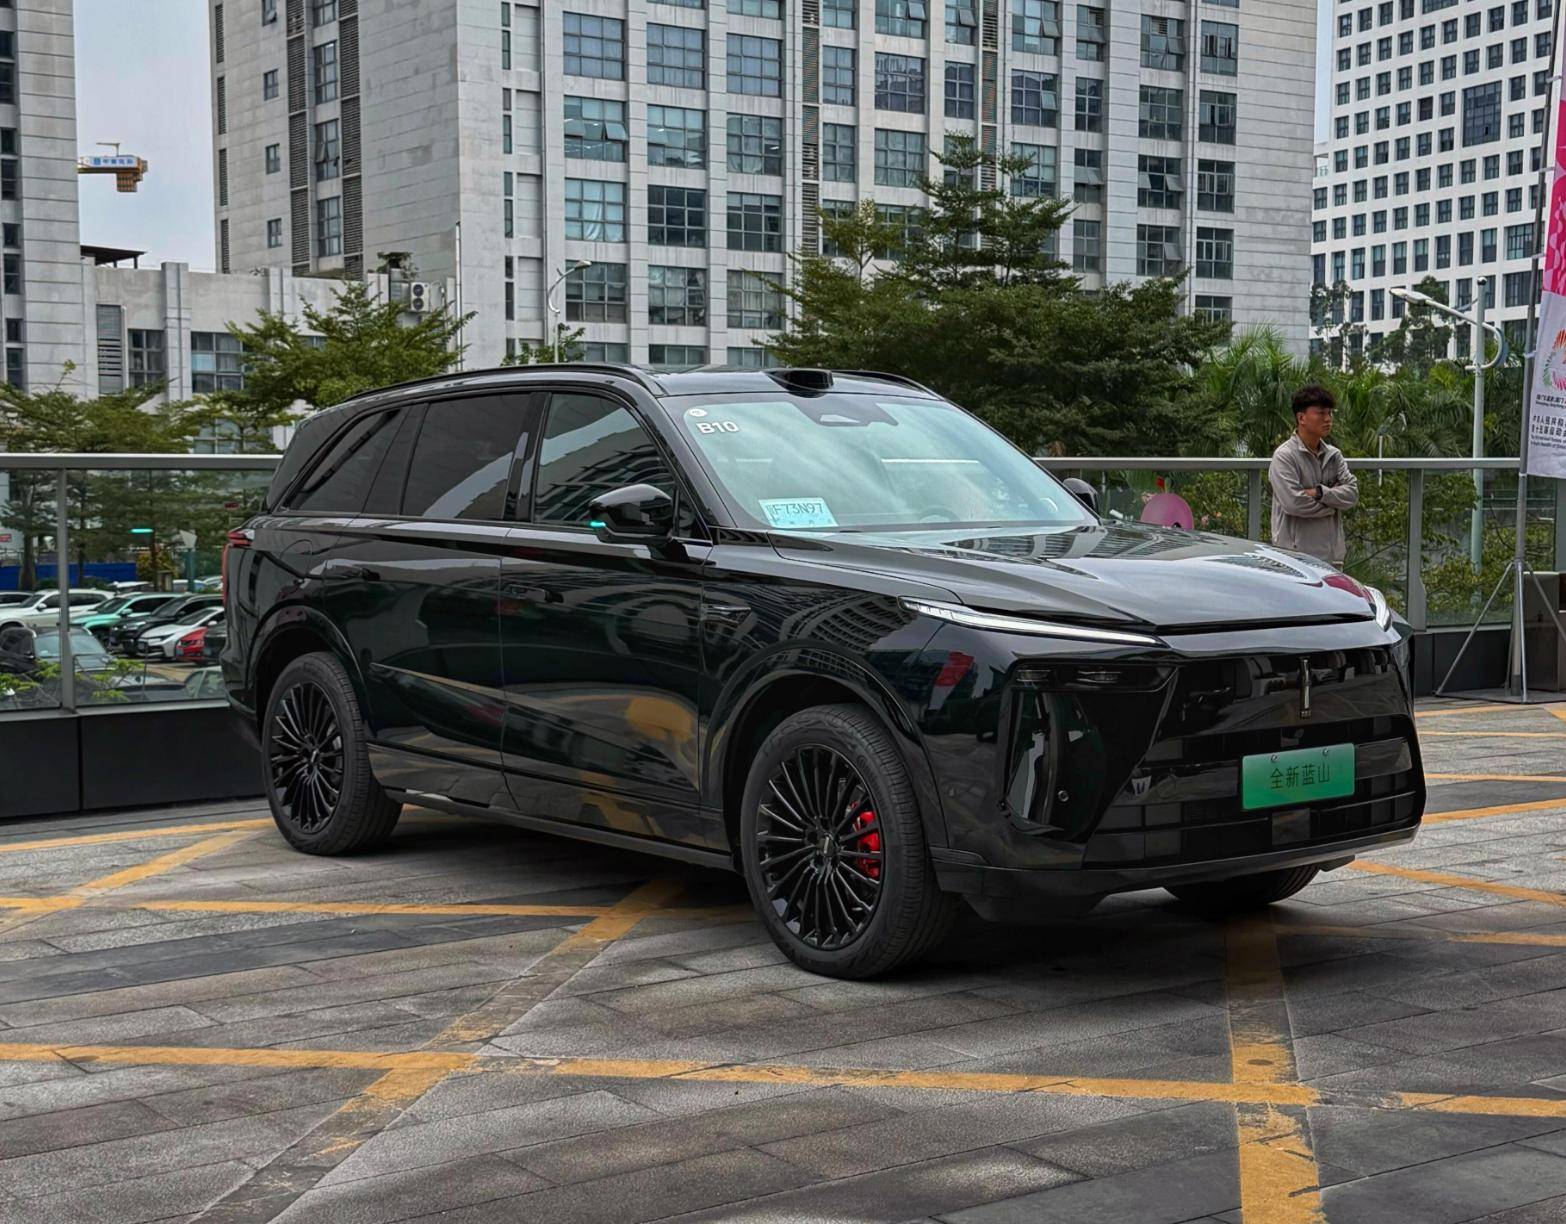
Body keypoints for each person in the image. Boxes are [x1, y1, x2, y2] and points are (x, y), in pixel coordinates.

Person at [1269, 384, 1358, 567]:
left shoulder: (1333, 455)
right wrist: (1332, 507)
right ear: (1301, 418)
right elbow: (1294, 503)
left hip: (1332, 558)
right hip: (1294, 558)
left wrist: (1319, 493)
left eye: (1330, 413)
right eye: (1321, 413)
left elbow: (1352, 494)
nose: (1328, 419)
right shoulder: (1285, 456)